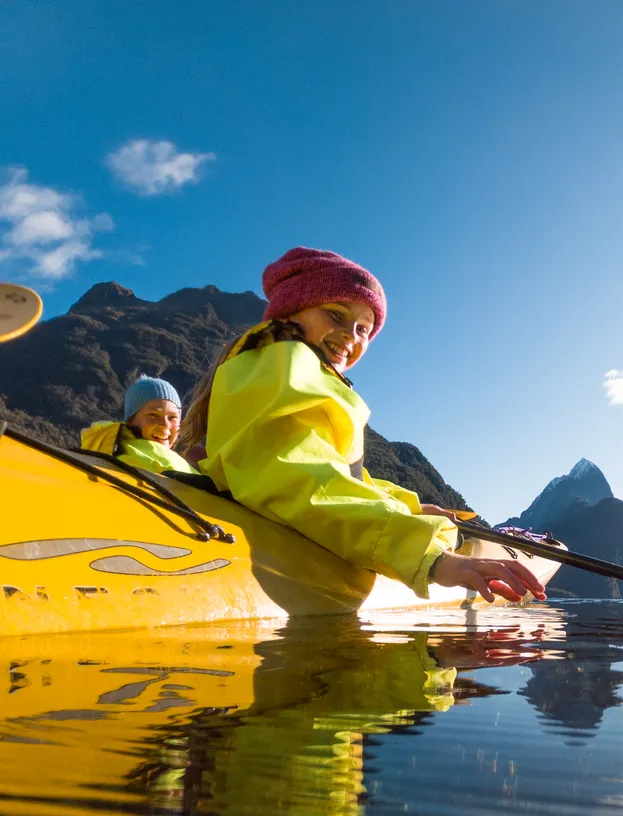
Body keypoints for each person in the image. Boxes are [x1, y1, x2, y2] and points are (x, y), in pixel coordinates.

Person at [178, 247, 545, 603]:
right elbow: (294, 481)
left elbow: (329, 472)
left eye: (363, 330)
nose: (350, 337)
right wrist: (432, 558)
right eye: (336, 316)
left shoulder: (284, 367)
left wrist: (408, 504)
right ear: (293, 308)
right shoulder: (283, 365)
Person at [81, 375, 197, 476]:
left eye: (172, 417)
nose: (165, 424)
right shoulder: (152, 460)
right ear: (130, 420)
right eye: (153, 415)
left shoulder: (109, 449)